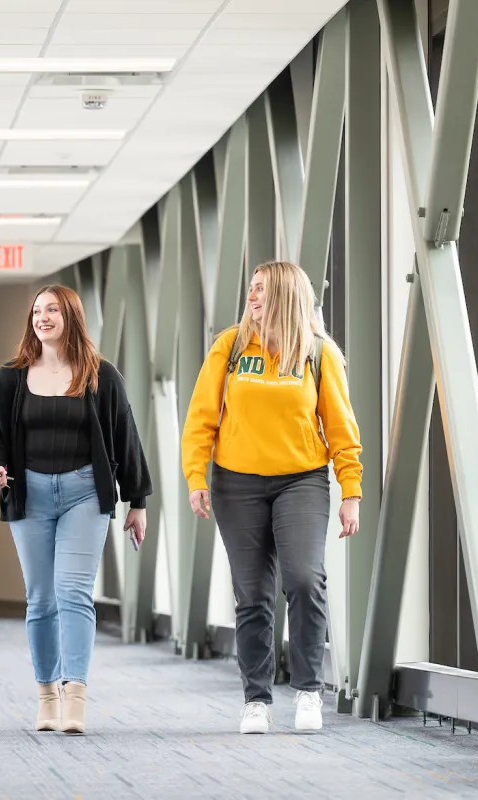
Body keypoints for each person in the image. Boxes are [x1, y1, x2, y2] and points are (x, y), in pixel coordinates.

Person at [180, 260, 363, 735]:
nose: (252, 297)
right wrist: (195, 476)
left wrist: (351, 490)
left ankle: (307, 692)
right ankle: (256, 700)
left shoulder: (318, 353)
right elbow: (201, 417)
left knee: (304, 579)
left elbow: (342, 428)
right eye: (251, 289)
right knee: (253, 594)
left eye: (261, 289)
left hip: (300, 481)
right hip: (235, 484)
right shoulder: (232, 346)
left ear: (284, 293)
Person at [0, 284, 151, 735]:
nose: (43, 317)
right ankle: (46, 694)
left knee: (73, 592)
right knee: (40, 598)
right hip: (29, 494)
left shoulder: (100, 375)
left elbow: (125, 437)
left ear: (70, 316)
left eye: (52, 309)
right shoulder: (11, 377)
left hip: (84, 495)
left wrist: (137, 501)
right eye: (37, 310)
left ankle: (76, 693)